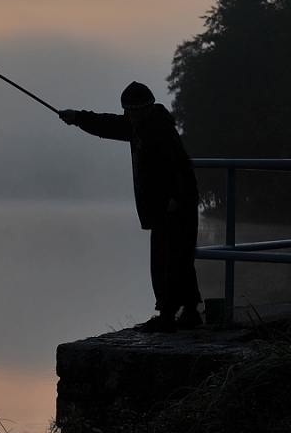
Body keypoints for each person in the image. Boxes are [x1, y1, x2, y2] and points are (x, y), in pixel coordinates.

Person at [60, 81, 202, 333]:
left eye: (129, 110)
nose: (126, 115)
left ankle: (167, 316)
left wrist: (177, 199)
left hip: (173, 206)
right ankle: (190, 311)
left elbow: (179, 166)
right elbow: (109, 124)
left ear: (141, 109)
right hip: (165, 207)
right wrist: (78, 118)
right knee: (179, 259)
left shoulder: (158, 130)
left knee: (166, 262)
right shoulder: (140, 126)